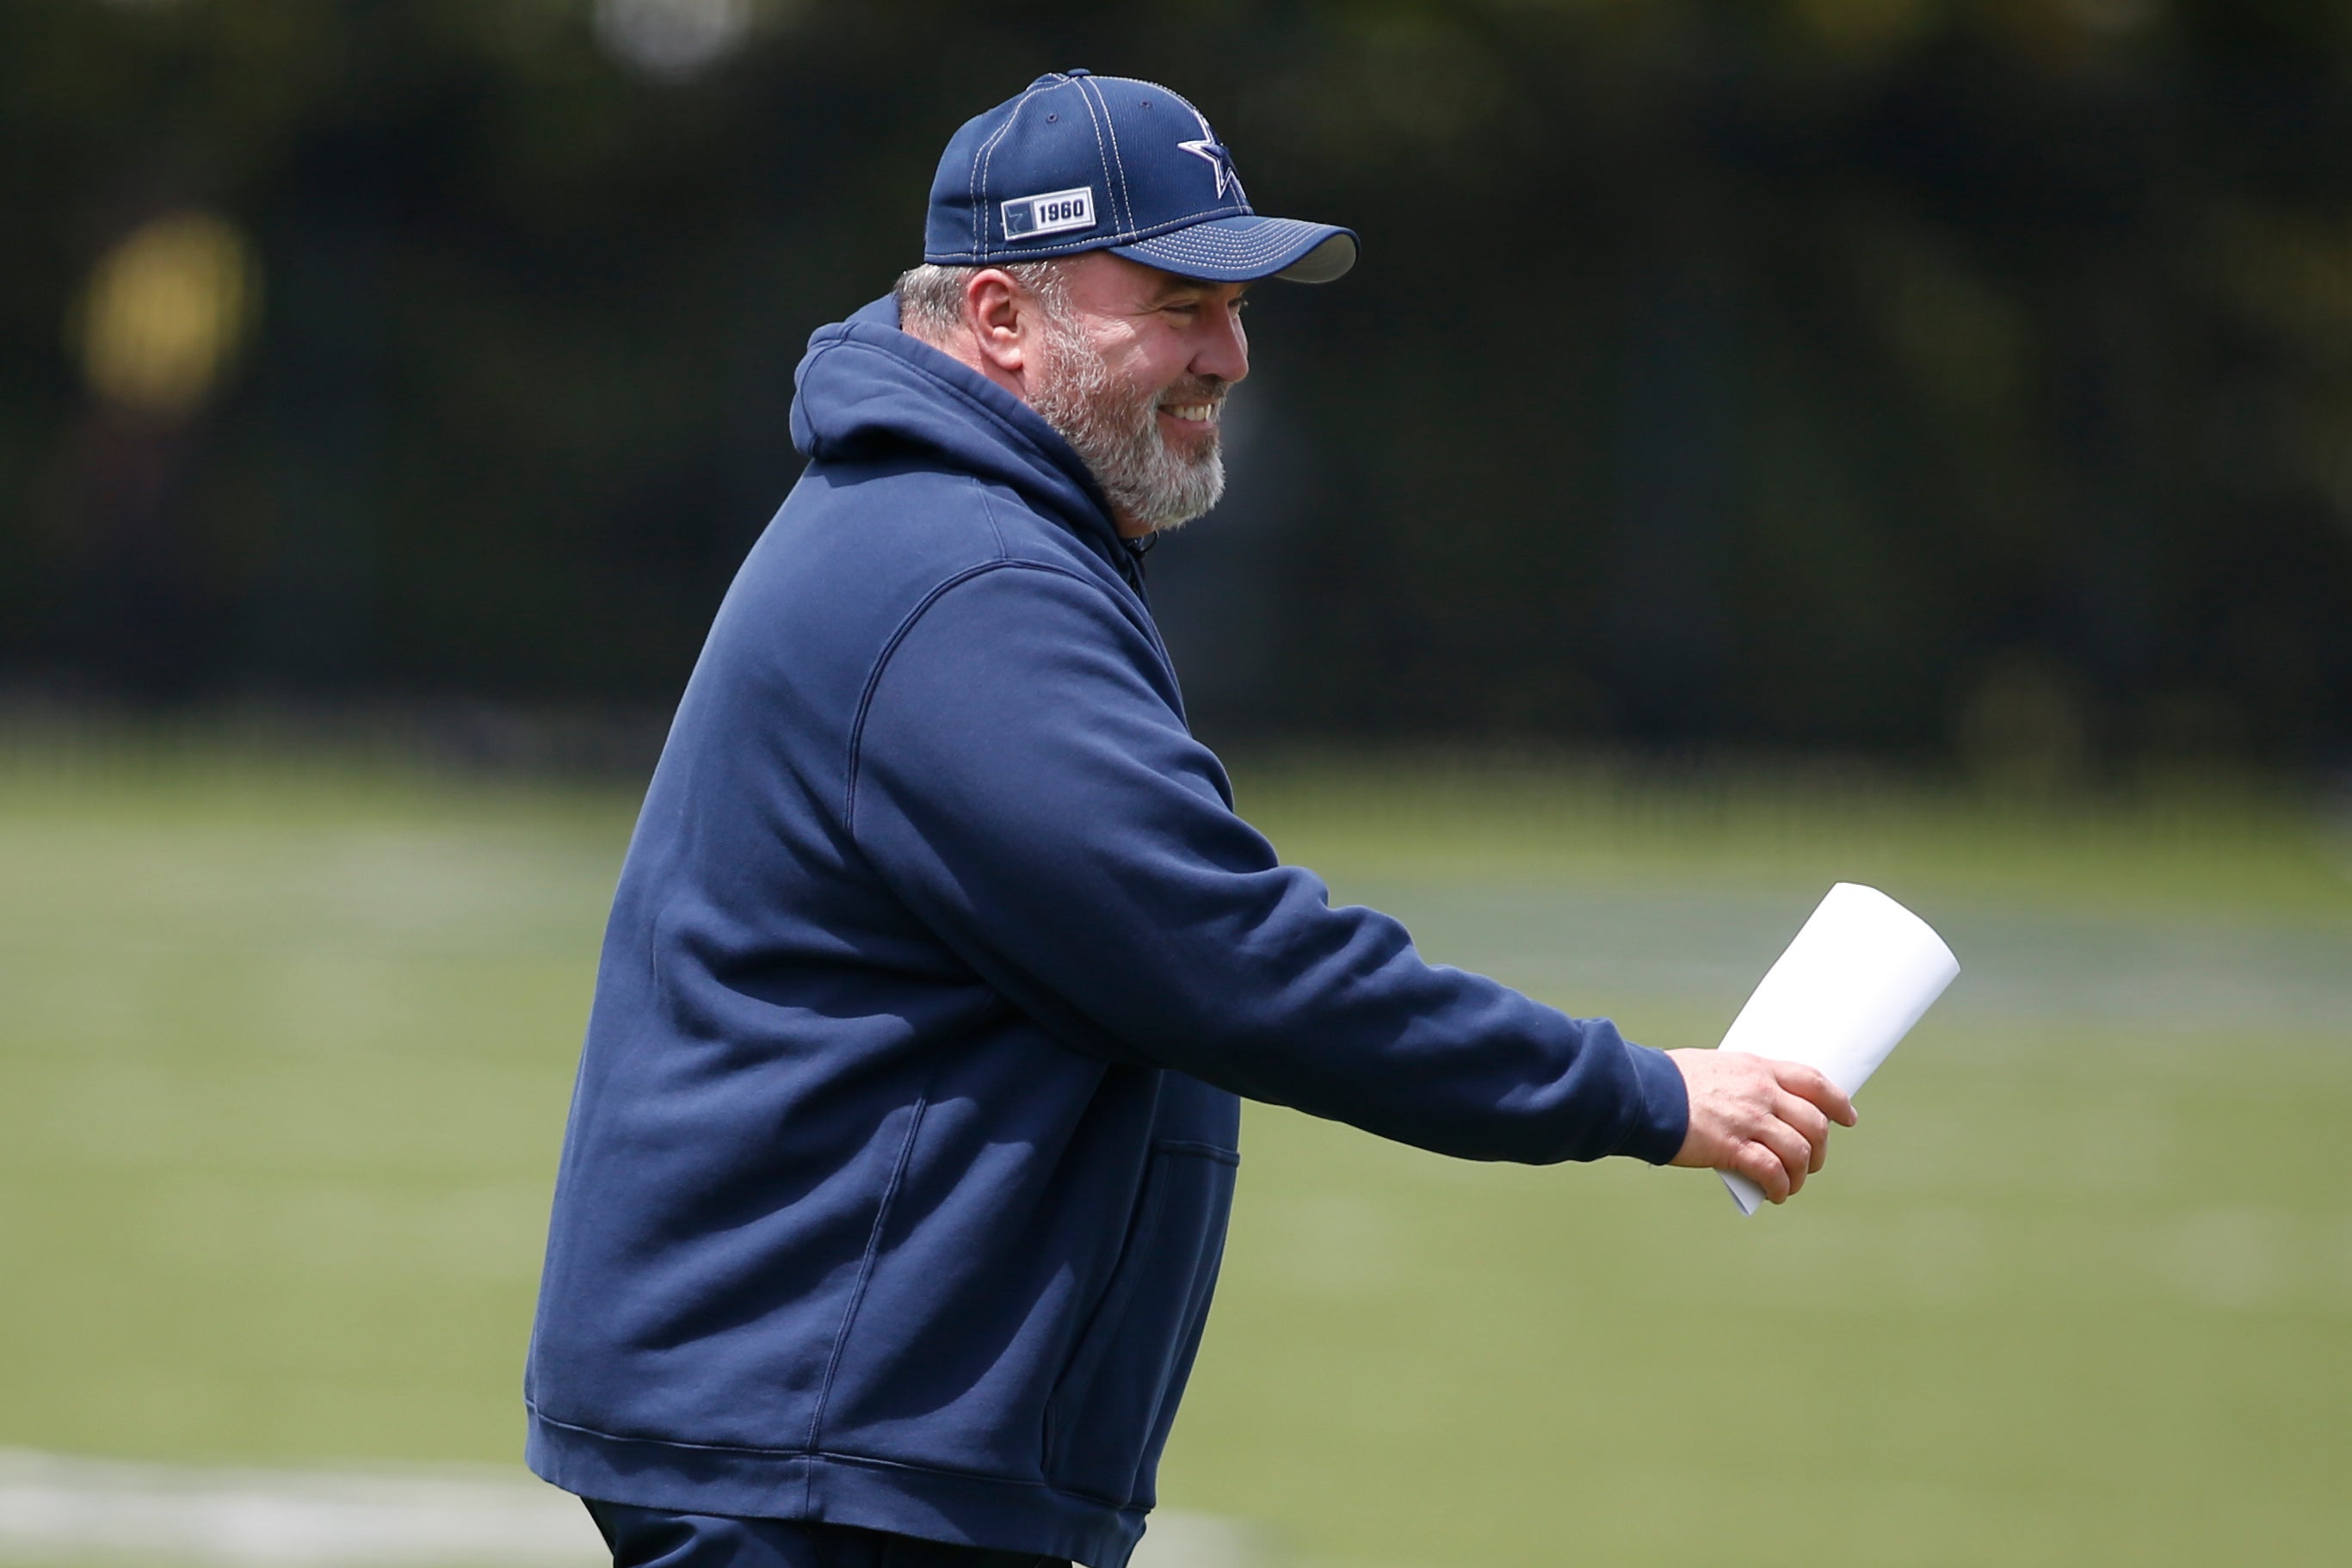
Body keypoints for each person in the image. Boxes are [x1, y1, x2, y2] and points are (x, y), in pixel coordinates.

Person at [525, 70, 1855, 1568]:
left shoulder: (962, 526)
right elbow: (1227, 955)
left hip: (835, 1438)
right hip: (826, 1457)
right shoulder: (965, 578)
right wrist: (1641, 1092)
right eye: (1175, 302)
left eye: (1238, 307)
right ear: (1000, 321)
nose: (1226, 354)